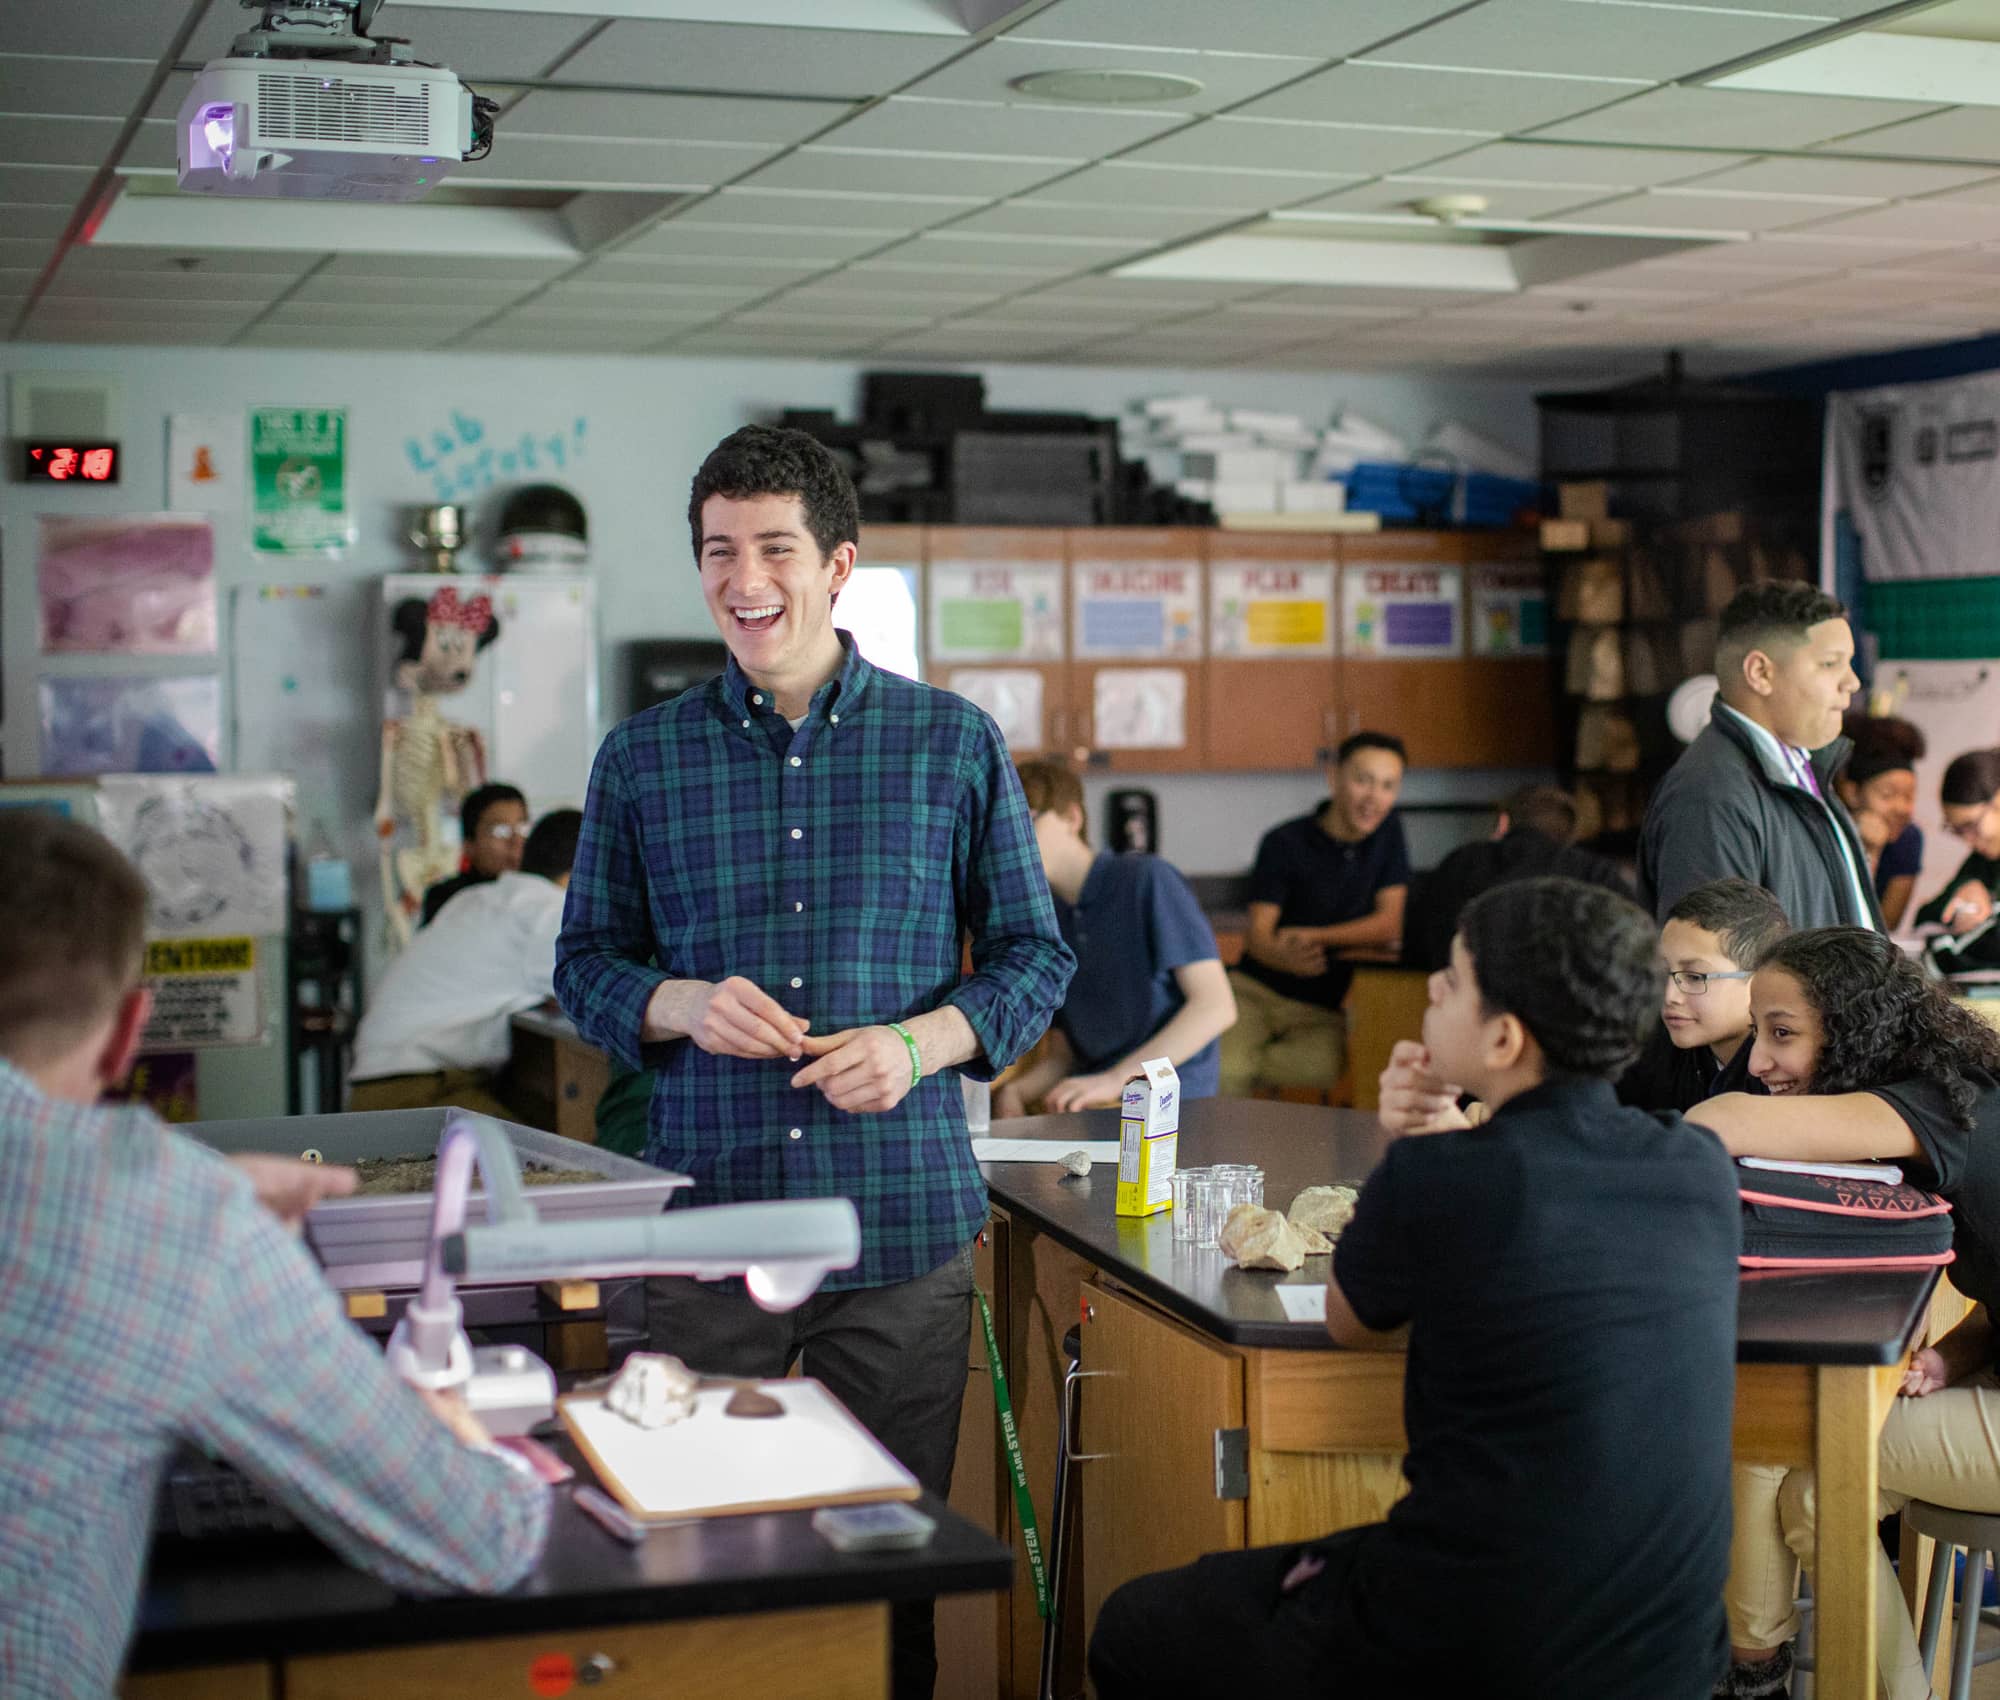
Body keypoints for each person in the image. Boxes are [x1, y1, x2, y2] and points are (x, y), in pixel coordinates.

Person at [554, 424, 1072, 1700]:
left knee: (880, 1572)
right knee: (696, 1567)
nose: (745, 579)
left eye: (774, 547)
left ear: (836, 564)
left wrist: (918, 1041)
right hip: (703, 1231)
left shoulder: (951, 744)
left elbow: (1029, 956)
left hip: (895, 1232)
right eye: (719, 551)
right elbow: (583, 967)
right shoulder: (641, 757)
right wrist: (675, 1000)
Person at [1088, 877, 1742, 1700]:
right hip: (1670, 1649)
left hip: (1474, 1636)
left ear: (1502, 1040)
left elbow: (1350, 1319)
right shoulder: (1698, 1165)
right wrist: (1440, 1143)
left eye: (1453, 980)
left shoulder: (1441, 1175)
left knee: (1134, 1627)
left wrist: (1411, 1144)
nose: (1430, 987)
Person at [0, 812, 548, 1700]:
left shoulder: (168, 1206)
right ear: (129, 1031)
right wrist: (462, 1436)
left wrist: (193, 1190)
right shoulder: (175, 1223)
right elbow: (477, 1538)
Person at [1684, 928, 2000, 1700]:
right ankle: (1763, 1663)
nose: (1759, 1061)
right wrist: (1958, 1353)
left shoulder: (1932, 1106)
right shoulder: (1959, 1088)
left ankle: (1753, 1666)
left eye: (1782, 1034)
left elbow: (1720, 1124)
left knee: (1782, 1443)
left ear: (1856, 1026)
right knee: (1803, 1468)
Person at [996, 759, 1235, 1112]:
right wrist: (1015, 1091)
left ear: (1072, 818)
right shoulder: (1046, 918)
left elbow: (1216, 1006)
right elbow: (1066, 1053)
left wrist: (1117, 1077)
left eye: (1027, 821)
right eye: (1003, 829)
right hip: (1099, 1098)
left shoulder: (1147, 879)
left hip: (1171, 1098)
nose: (1013, 841)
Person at [1639, 582, 1877, 931]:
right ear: (1760, 673)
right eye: (1830, 664)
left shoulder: (1801, 773)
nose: (1852, 682)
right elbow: (1711, 969)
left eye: (1849, 663)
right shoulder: (1711, 796)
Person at [349, 809, 581, 1118]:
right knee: (543, 1160)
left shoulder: (476, 898)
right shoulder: (548, 910)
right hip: (416, 1092)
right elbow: (593, 989)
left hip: (382, 1086)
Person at [1220, 731, 1411, 1096]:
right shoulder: (1284, 842)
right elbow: (1258, 936)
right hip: (1254, 992)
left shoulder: (1389, 834)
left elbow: (1390, 924)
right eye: (1363, 780)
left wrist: (1314, 938)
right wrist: (1282, 955)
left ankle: (1253, 1081)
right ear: (1333, 777)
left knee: (1316, 1073)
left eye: (1388, 786)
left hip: (1321, 1008)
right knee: (1227, 1072)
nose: (1375, 797)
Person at [1402, 782, 1631, 972]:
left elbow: (1417, 943)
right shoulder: (1594, 873)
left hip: (1465, 1007)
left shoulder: (1460, 862)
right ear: (1568, 838)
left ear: (1503, 822)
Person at [1616, 877, 1789, 1114]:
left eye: (1695, 977)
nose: (1669, 996)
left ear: (1761, 980)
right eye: (1664, 971)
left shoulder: (1790, 1072)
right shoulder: (1650, 1049)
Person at [1914, 747, 2000, 947]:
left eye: (1971, 826)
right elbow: (1924, 917)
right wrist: (1963, 891)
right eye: (1957, 830)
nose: (1968, 840)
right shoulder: (1981, 861)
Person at [420, 781, 528, 926]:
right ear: (469, 846)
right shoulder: (450, 899)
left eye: (523, 828)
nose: (517, 841)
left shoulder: (542, 890)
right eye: (501, 831)